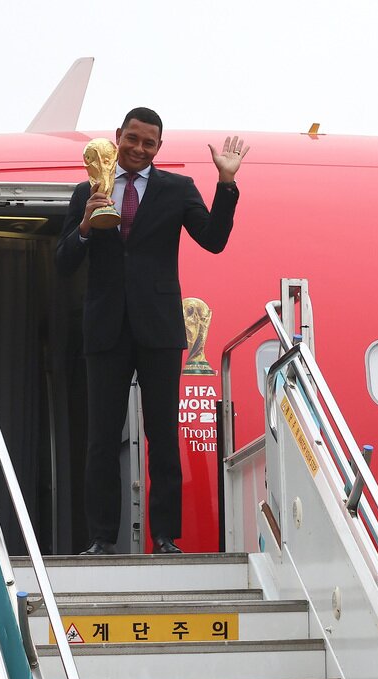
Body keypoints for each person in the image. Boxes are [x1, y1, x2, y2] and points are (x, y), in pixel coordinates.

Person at [56, 107, 249, 555]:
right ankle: (102, 538)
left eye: (149, 143)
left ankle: (164, 537)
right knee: (102, 439)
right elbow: (64, 262)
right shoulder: (88, 190)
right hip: (105, 328)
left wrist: (226, 183)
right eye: (132, 139)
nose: (139, 149)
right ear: (118, 136)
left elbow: (214, 240)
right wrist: (84, 225)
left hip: (159, 327)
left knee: (162, 436)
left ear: (159, 147)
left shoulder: (176, 189)